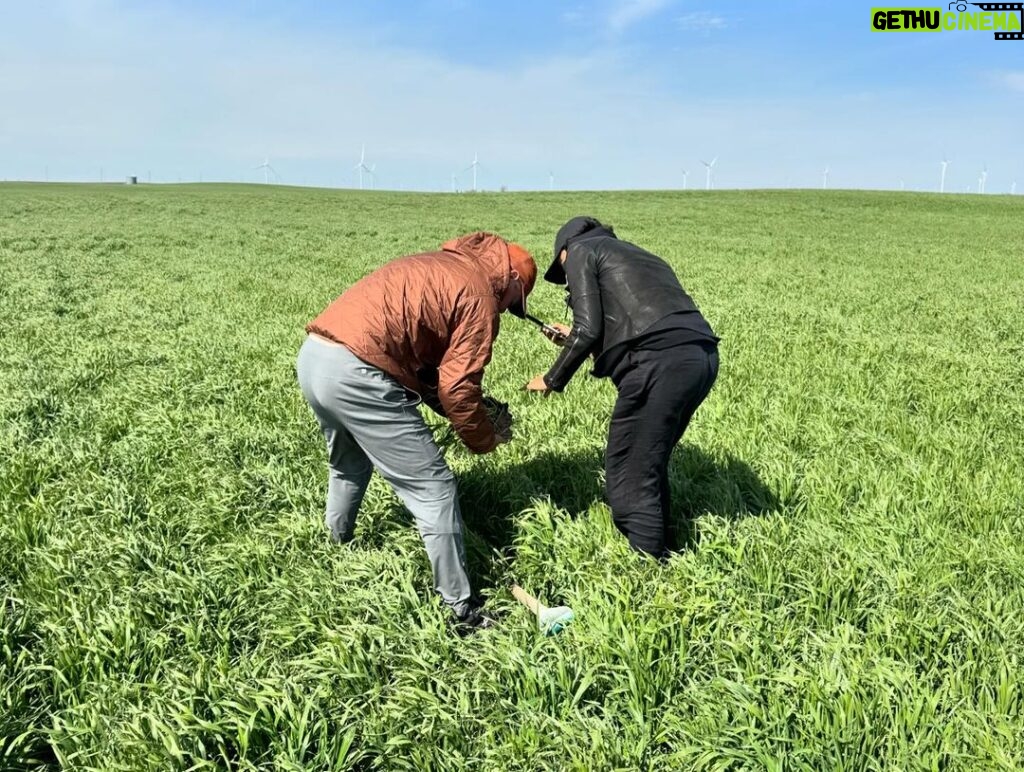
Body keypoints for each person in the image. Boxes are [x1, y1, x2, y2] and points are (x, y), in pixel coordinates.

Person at [297, 232, 537, 634]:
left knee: (348, 465)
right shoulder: (478, 295)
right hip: (360, 373)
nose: (511, 306)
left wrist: (462, 412)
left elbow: (426, 372)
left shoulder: (439, 264)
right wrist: (484, 438)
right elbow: (456, 386)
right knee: (436, 488)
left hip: (315, 355)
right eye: (518, 297)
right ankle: (463, 611)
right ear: (511, 279)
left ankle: (336, 546)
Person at [526, 216, 719, 559]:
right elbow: (630, 326)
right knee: (647, 462)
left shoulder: (582, 250)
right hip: (700, 356)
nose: (566, 284)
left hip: (658, 362)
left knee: (628, 473)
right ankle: (666, 549)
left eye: (562, 273)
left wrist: (551, 380)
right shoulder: (638, 254)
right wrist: (570, 339)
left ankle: (647, 572)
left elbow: (589, 329)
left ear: (564, 252)